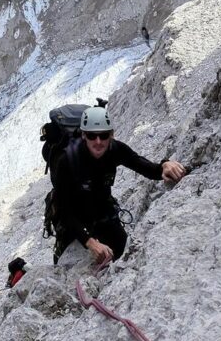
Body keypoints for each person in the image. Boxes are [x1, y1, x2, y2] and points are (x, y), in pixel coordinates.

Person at [50, 105, 185, 266]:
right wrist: (90, 242)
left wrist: (164, 165)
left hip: (103, 213)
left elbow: (143, 166)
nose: (98, 142)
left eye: (104, 135)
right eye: (92, 136)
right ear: (84, 135)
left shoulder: (115, 149)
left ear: (112, 135)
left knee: (125, 256)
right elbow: (64, 210)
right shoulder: (67, 160)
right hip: (73, 222)